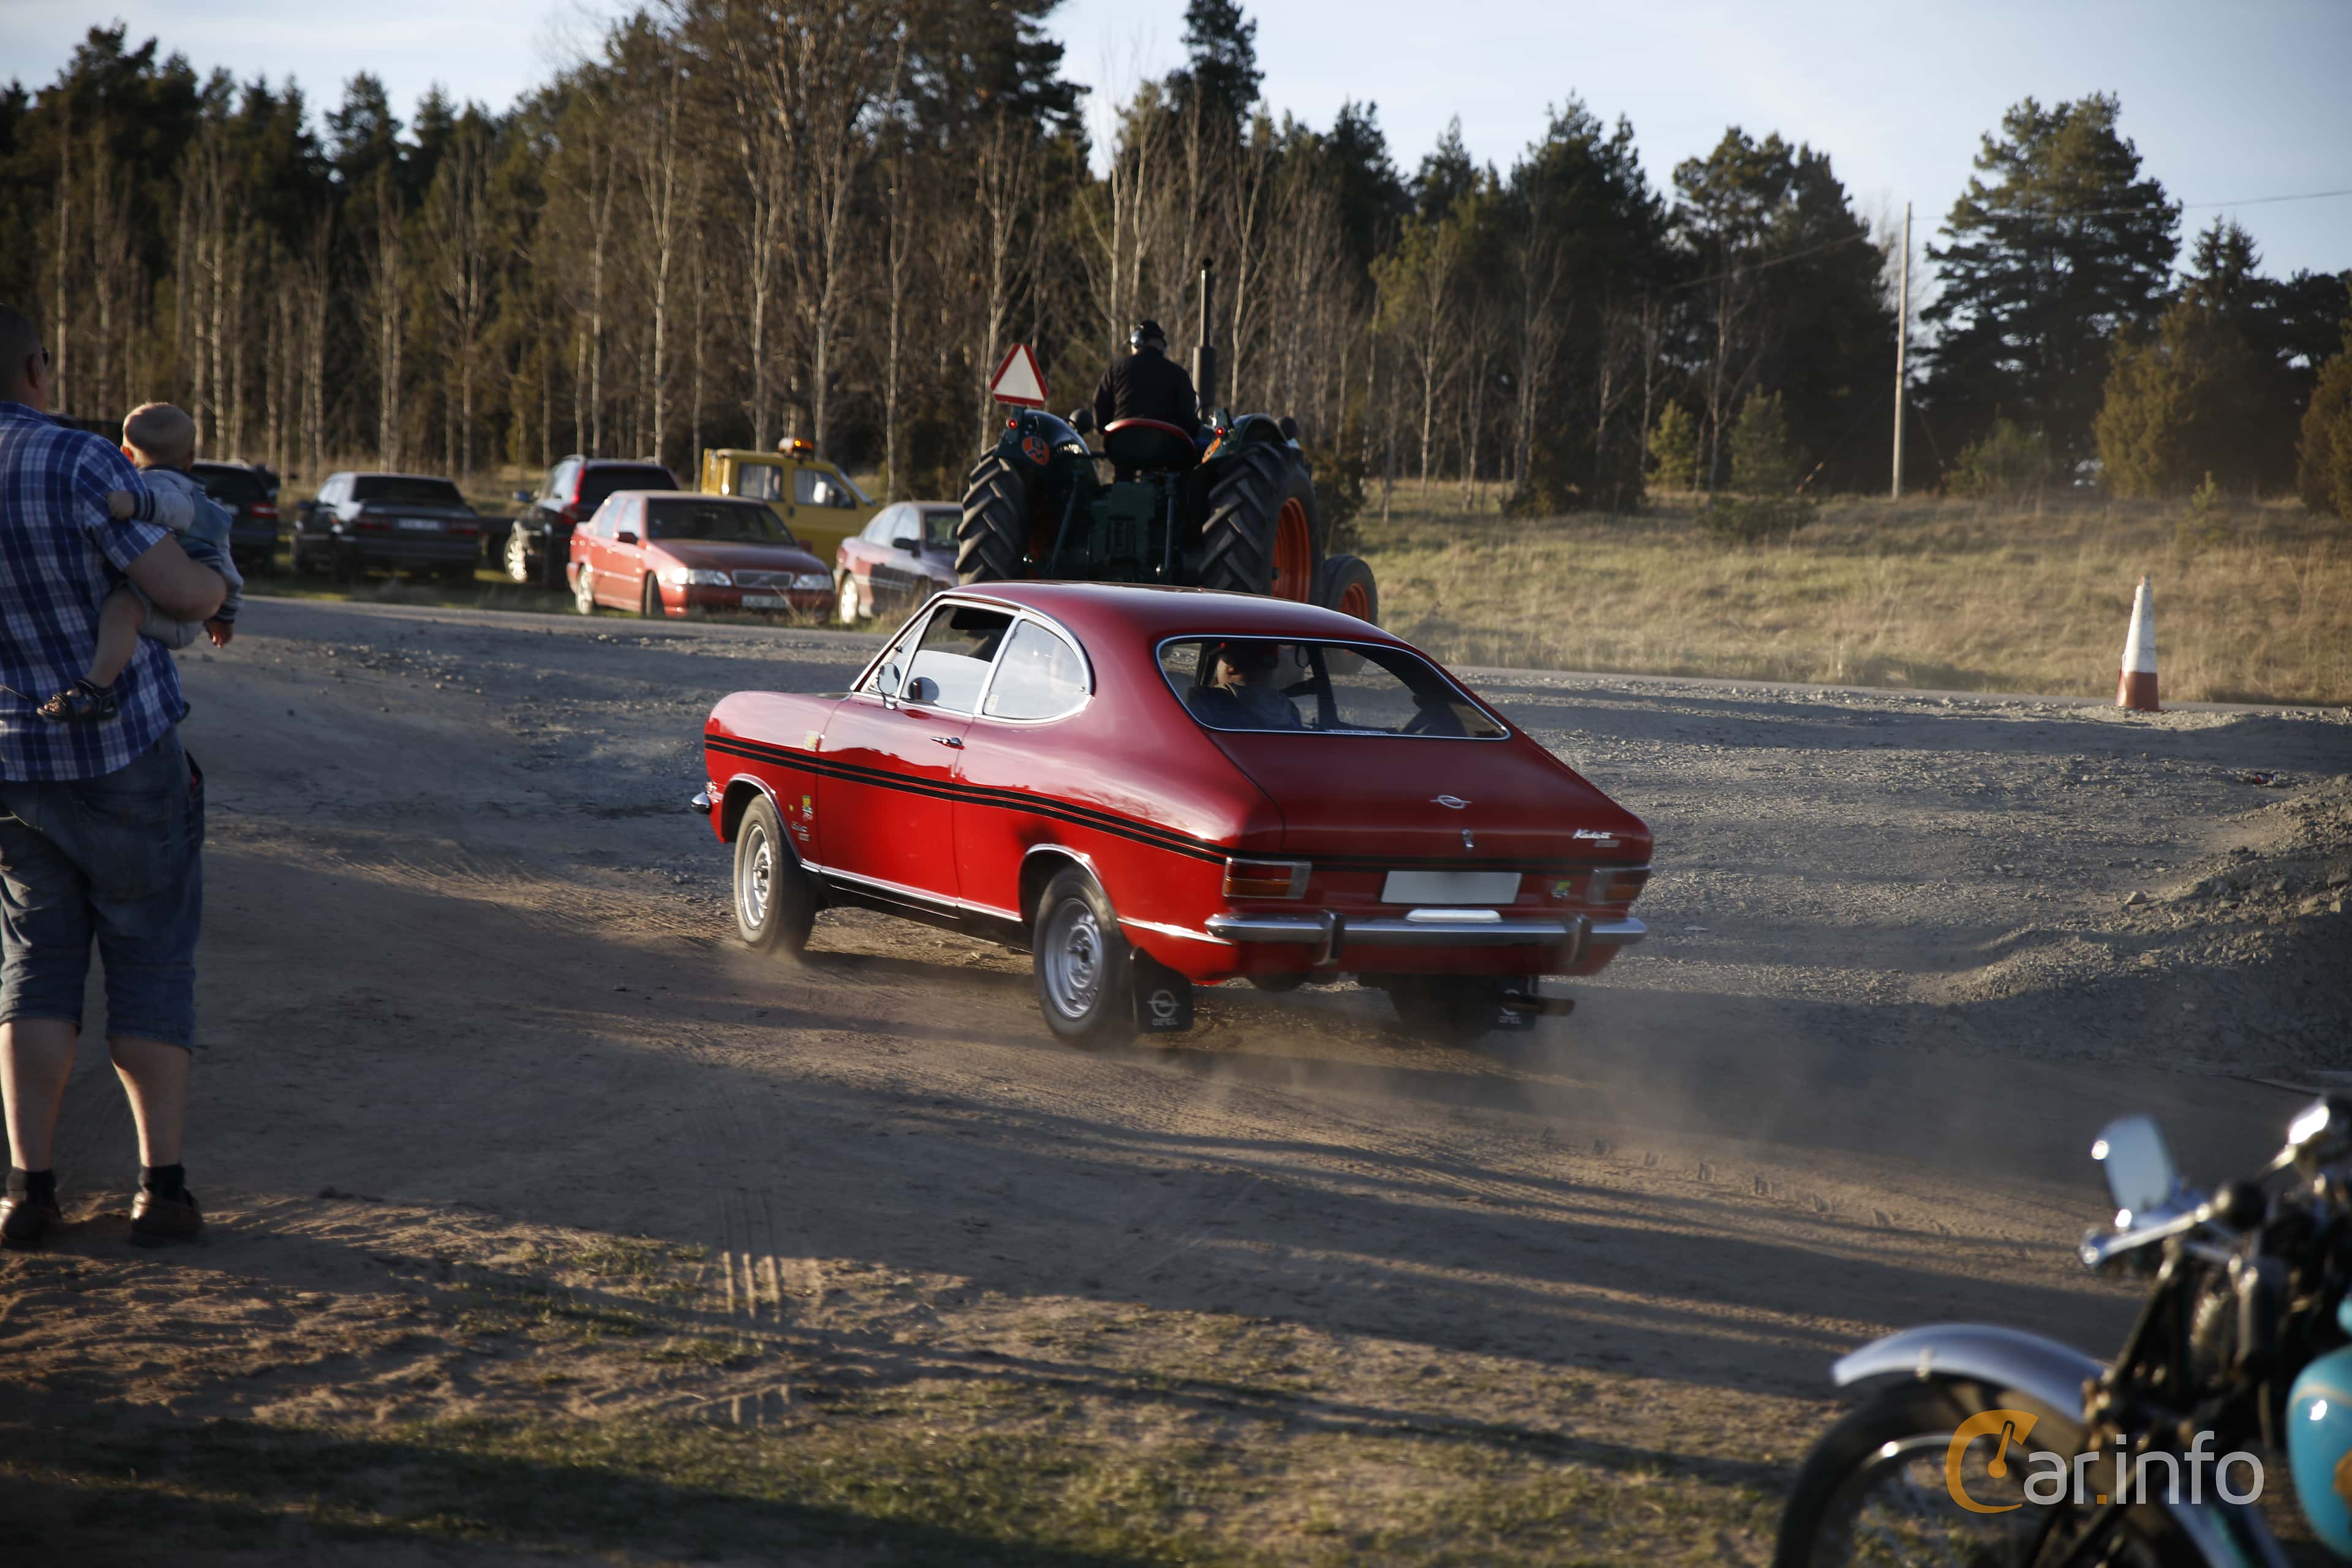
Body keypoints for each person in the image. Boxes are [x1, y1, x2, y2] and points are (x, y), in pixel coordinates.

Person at [0, 305, 225, 1251]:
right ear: (38, 368)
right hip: (122, 755)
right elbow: (179, 592)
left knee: (33, 969)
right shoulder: (79, 460)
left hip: (10, 761)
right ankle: (160, 1190)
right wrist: (215, 592)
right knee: (150, 961)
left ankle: (27, 1192)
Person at [40, 402, 241, 723]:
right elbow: (228, 568)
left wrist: (134, 503)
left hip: (175, 611)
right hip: (189, 607)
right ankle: (165, 702)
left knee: (121, 610)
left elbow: (178, 509)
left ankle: (98, 691)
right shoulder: (209, 507)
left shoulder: (156, 488)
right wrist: (225, 615)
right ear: (191, 458)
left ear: (126, 454)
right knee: (138, 640)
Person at [1090, 320, 1200, 435]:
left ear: (1136, 341)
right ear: (1161, 345)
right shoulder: (1178, 374)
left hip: (1121, 447)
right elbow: (1188, 420)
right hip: (1166, 449)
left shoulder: (1115, 370)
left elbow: (1100, 410)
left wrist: (1105, 431)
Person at [1185, 639, 1303, 730]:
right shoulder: (1288, 708)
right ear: (1272, 667)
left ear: (1230, 666)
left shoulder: (1204, 698)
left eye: (1220, 660)